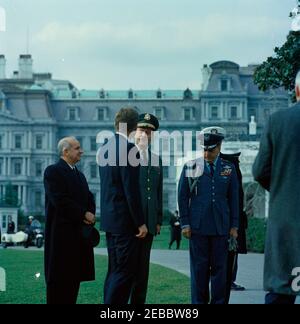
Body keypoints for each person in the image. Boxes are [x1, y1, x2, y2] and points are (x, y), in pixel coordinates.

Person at [253, 71, 300, 304]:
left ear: (297, 91)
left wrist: (282, 190)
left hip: (286, 221)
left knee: (282, 290)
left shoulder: (277, 121)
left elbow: (260, 171)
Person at [178, 127, 239, 304]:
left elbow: (234, 198)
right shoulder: (191, 167)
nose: (206, 154)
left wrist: (234, 226)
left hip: (222, 228)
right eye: (204, 149)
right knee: (199, 271)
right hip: (198, 228)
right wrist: (185, 223)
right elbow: (182, 197)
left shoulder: (229, 168)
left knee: (220, 272)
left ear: (219, 147)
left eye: (210, 150)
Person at [98, 107, 148, 304]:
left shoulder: (105, 147)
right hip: (125, 223)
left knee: (114, 272)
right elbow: (131, 190)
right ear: (134, 127)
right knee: (124, 274)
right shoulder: (129, 150)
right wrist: (140, 223)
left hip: (111, 221)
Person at [44, 137, 96, 304]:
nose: (81, 151)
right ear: (65, 151)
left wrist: (90, 214)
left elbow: (89, 198)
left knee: (73, 285)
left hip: (78, 239)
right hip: (61, 239)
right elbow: (59, 200)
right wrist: (83, 214)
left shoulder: (79, 175)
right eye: (77, 148)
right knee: (58, 287)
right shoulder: (53, 171)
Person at [130, 113, 163, 304]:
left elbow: (157, 191)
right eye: (143, 130)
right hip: (132, 223)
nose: (146, 134)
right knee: (128, 269)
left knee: (143, 270)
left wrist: (158, 219)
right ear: (135, 131)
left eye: (150, 131)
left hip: (149, 222)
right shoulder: (126, 156)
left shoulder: (156, 159)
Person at [219, 152, 247, 304]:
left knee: (231, 253)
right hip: (232, 223)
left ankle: (228, 280)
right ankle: (228, 280)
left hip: (232, 221)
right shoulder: (231, 173)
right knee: (231, 253)